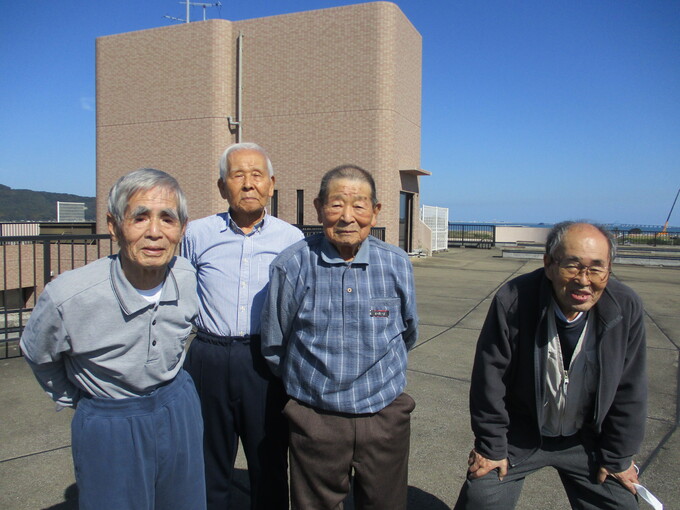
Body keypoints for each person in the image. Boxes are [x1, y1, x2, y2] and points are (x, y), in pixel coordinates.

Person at [20, 168, 205, 510]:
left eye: (167, 218)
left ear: (182, 227)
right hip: (110, 418)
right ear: (113, 225)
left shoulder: (187, 274)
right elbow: (38, 353)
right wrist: (80, 397)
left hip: (178, 406)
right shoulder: (69, 295)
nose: (155, 232)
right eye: (140, 218)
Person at [454, 221, 647, 510]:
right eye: (572, 265)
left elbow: (630, 389)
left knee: (622, 504)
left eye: (596, 268)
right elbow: (489, 380)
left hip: (587, 438)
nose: (584, 280)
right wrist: (491, 446)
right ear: (548, 264)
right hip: (520, 433)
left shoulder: (625, 306)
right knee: (481, 498)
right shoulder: (514, 299)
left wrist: (618, 457)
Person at [261, 164, 418, 510]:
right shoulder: (292, 265)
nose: (347, 217)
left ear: (375, 211)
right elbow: (275, 346)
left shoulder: (396, 264)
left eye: (359, 205)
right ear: (318, 208)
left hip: (384, 416)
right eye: (336, 205)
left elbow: (408, 333)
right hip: (316, 420)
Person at [181, 142, 304, 510]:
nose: (248, 184)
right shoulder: (196, 235)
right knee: (207, 460)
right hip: (208, 355)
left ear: (271, 184)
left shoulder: (291, 239)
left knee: (268, 460)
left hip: (264, 361)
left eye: (256, 175)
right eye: (237, 175)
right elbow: (180, 291)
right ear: (222, 187)